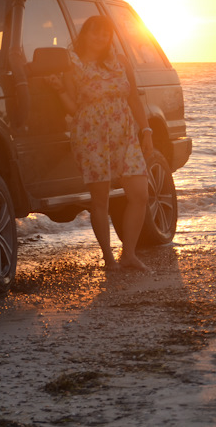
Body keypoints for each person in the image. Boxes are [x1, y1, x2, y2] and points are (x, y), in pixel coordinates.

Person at [50, 15, 154, 270]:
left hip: (125, 133)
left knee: (140, 194)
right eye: (95, 32)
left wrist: (147, 130)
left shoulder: (120, 61)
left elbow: (134, 99)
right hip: (91, 134)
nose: (100, 38)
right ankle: (108, 257)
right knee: (100, 200)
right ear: (84, 34)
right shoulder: (72, 63)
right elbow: (74, 108)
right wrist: (60, 91)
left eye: (105, 33)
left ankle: (128, 253)